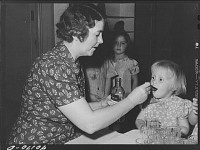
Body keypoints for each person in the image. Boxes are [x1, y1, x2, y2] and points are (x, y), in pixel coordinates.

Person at [7, 4, 150, 144]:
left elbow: (72, 109)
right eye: (97, 34)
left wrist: (102, 104)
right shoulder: (54, 66)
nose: (101, 41)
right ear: (77, 33)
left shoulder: (71, 61)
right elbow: (90, 123)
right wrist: (131, 100)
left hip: (65, 138)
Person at [135, 60, 193, 136]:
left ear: (174, 87)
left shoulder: (178, 104)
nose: (154, 82)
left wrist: (171, 132)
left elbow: (185, 128)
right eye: (153, 77)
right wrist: (142, 127)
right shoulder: (149, 101)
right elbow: (139, 119)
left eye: (160, 79)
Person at [104, 23, 139, 133]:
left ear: (127, 45)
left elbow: (135, 80)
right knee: (111, 123)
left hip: (126, 98)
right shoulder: (107, 62)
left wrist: (133, 97)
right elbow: (107, 80)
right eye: (116, 43)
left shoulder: (131, 63)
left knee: (121, 124)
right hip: (112, 98)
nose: (119, 46)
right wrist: (105, 97)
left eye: (122, 43)